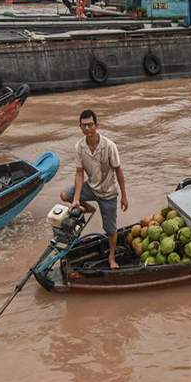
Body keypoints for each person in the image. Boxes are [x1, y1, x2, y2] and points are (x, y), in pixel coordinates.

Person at [61, 109, 129, 269]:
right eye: (83, 126)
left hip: (108, 192)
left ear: (96, 125)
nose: (87, 129)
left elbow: (119, 171)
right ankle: (90, 208)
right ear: (80, 127)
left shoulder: (109, 146)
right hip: (91, 187)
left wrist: (124, 196)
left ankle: (112, 258)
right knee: (65, 195)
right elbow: (79, 174)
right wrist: (77, 199)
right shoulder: (79, 147)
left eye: (90, 125)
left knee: (111, 230)